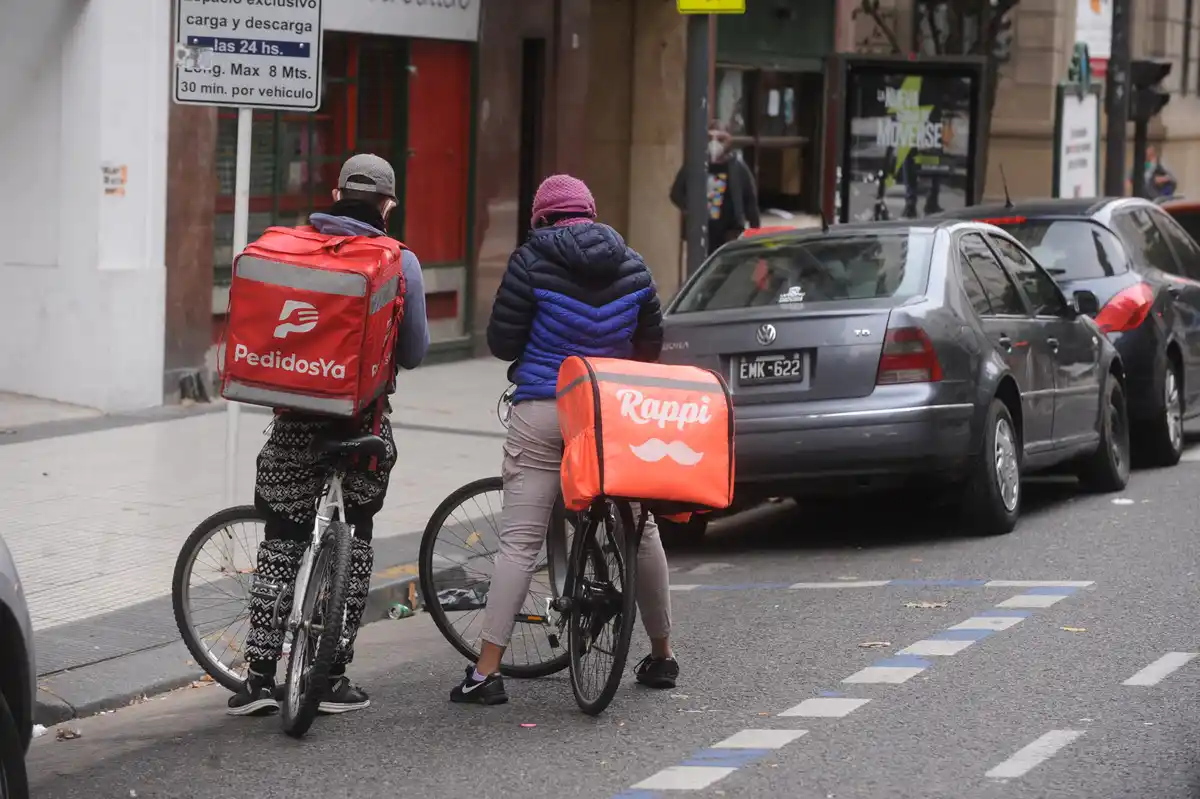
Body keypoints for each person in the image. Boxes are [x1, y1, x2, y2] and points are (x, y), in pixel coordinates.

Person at [451, 174, 675, 705]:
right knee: (640, 532)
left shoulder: (530, 261)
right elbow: (651, 348)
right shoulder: (634, 263)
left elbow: (503, 341)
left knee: (519, 543)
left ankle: (486, 673)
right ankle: (663, 656)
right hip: (611, 412)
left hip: (545, 408)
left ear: (542, 218)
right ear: (591, 214)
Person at [229, 154, 430, 716]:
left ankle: (258, 680)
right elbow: (412, 354)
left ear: (336, 192)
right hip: (359, 428)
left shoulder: (286, 247)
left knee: (280, 542)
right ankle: (332, 677)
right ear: (388, 205)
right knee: (355, 541)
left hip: (293, 424)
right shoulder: (400, 261)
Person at [670, 120, 761, 257]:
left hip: (730, 232)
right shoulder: (695, 164)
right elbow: (676, 193)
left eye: (721, 139)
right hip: (701, 231)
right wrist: (691, 208)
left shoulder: (738, 167)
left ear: (729, 141)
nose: (714, 143)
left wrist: (756, 233)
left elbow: (750, 201)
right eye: (710, 138)